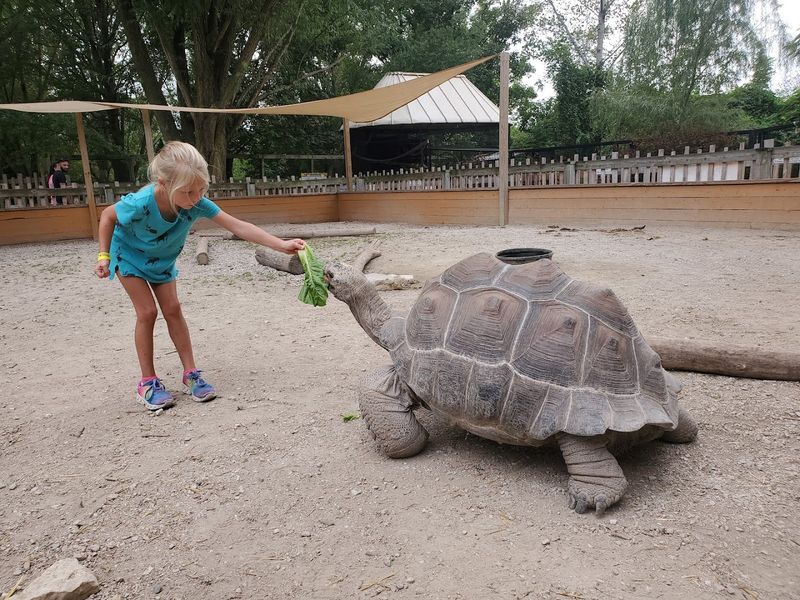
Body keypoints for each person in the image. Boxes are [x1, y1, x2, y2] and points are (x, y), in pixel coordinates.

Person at [94, 141, 305, 411]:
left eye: (201, 190)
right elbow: (107, 216)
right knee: (147, 312)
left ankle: (190, 373)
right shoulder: (141, 202)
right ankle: (147, 382)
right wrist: (103, 256)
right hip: (130, 255)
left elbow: (238, 226)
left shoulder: (196, 203)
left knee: (173, 308)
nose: (195, 198)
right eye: (188, 192)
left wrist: (281, 244)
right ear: (163, 183)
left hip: (162, 260)